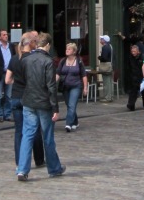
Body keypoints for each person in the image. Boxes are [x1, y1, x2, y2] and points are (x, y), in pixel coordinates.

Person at [16, 32, 65, 181]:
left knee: (27, 135)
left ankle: (22, 170)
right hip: (43, 103)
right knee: (48, 137)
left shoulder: (26, 59)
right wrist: (55, 108)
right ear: (48, 45)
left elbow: (24, 80)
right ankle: (54, 168)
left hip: (29, 102)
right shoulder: (48, 61)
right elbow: (51, 86)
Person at [6, 32, 45, 171]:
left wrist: (17, 81)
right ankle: (39, 159)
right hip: (28, 98)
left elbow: (7, 80)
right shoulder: (32, 59)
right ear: (30, 43)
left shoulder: (15, 58)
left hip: (15, 96)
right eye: (34, 41)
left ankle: (19, 161)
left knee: (19, 132)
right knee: (34, 130)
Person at [56, 42, 88, 132]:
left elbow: (84, 75)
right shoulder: (62, 61)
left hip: (76, 86)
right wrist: (52, 82)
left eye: (69, 49)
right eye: (66, 49)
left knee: (72, 104)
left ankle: (68, 124)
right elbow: (58, 73)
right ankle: (75, 121)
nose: (67, 50)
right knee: (69, 105)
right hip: (65, 86)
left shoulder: (79, 61)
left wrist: (85, 87)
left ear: (74, 51)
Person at [126, 43, 144, 111]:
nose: (133, 53)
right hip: (134, 76)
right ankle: (131, 105)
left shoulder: (143, 57)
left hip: (142, 76)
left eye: (134, 51)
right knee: (133, 91)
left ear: (138, 51)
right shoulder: (130, 58)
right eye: (132, 51)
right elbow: (129, 67)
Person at [98, 35, 115, 102]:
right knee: (110, 82)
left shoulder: (105, 47)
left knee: (106, 82)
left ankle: (107, 97)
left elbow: (104, 58)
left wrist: (99, 57)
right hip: (111, 66)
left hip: (106, 67)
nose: (100, 40)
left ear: (104, 40)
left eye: (101, 39)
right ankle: (111, 96)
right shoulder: (110, 46)